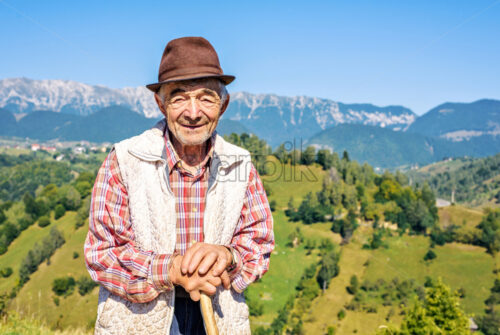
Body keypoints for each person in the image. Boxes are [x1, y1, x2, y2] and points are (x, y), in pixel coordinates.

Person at [84, 37, 274, 335]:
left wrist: (228, 256)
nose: (194, 111)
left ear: (222, 105)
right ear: (161, 103)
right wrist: (170, 270)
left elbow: (259, 243)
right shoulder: (124, 161)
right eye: (179, 97)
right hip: (141, 319)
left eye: (206, 97)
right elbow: (103, 254)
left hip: (218, 318)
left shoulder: (241, 164)